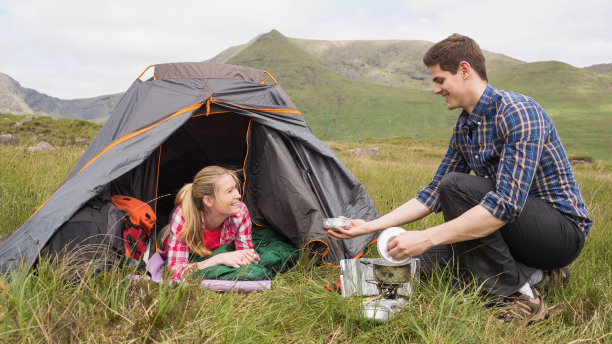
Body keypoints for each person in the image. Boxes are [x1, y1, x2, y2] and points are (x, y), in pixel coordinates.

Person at [325, 33, 592, 325]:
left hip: (560, 234)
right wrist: (370, 226)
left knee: (455, 187)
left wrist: (426, 237)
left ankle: (520, 297)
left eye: (440, 80)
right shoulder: (465, 126)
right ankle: (537, 274)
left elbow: (505, 205)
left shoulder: (518, 112)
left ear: (465, 70)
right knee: (421, 261)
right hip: (514, 232)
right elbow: (432, 195)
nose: (436, 89)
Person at [159, 166, 260, 280]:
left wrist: (250, 257)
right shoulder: (182, 217)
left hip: (207, 243)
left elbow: (244, 253)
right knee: (166, 231)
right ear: (208, 201)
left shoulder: (240, 211)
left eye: (236, 188)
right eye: (230, 191)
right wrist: (218, 258)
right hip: (168, 233)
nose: (238, 195)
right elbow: (174, 271)